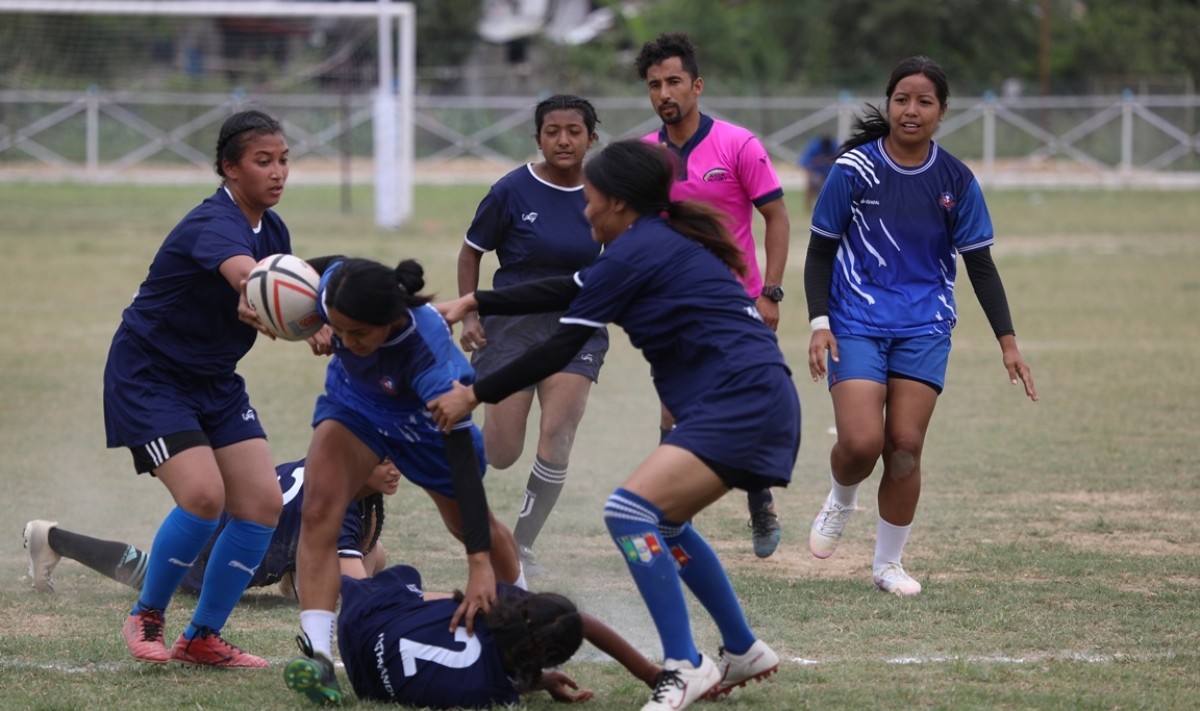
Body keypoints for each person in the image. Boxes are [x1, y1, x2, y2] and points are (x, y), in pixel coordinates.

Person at [428, 139, 797, 711]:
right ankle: (743, 649)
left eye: (592, 199)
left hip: (740, 399)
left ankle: (684, 663)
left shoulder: (636, 252)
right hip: (749, 396)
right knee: (666, 525)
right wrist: (473, 299)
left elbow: (561, 345)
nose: (584, 211)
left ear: (619, 204)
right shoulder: (647, 243)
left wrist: (473, 394)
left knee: (629, 512)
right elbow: (569, 289)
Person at [804, 56, 1038, 597]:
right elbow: (819, 254)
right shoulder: (853, 170)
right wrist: (820, 323)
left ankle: (888, 564)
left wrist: (1009, 343)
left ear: (942, 111)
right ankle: (842, 496)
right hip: (856, 320)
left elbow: (980, 263)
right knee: (862, 444)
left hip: (925, 326)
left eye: (924, 102)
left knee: (905, 446)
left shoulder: (956, 179)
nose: (911, 110)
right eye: (902, 99)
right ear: (888, 104)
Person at [102, 109, 328, 668]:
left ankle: (202, 635)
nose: (277, 173)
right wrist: (269, 305)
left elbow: (272, 292)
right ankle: (147, 615)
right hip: (151, 375)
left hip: (214, 380)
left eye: (283, 161)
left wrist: (314, 318)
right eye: (262, 161)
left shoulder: (272, 230)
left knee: (260, 505)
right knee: (204, 498)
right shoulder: (215, 223)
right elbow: (247, 280)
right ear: (229, 168)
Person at [286, 256, 524, 707]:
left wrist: (477, 565)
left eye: (358, 334)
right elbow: (304, 272)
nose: (345, 340)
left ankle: (528, 610)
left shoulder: (429, 358)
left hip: (426, 429)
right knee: (319, 510)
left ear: (392, 321)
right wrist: (264, 298)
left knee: (477, 530)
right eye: (338, 330)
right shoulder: (338, 287)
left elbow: (463, 473)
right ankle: (318, 656)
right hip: (355, 407)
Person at [635, 31, 792, 559]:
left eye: (673, 81)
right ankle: (661, 516)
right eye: (655, 85)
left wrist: (770, 291)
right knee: (672, 407)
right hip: (673, 305)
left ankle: (760, 502)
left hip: (738, 303)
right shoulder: (644, 158)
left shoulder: (738, 144)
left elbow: (776, 216)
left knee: (742, 402)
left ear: (696, 85)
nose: (664, 93)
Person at [457, 94, 609, 578]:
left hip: (578, 326)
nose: (563, 140)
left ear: (591, 137)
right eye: (552, 131)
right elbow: (471, 251)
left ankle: (521, 545)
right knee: (502, 453)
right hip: (512, 327)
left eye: (574, 131)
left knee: (559, 432)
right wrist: (471, 315)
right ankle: (461, 458)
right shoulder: (511, 190)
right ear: (539, 137)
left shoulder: (604, 191)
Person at [286, 563, 661, 708]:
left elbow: (582, 619)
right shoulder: (492, 694)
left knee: (409, 586)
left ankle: (309, 575)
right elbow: (475, 675)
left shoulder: (490, 605)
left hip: (364, 622)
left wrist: (649, 672)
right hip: (369, 682)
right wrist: (539, 681)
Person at [22, 457, 400, 597]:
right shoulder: (338, 501)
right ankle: (52, 538)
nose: (396, 469)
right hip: (224, 541)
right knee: (153, 576)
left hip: (240, 520)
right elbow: (361, 594)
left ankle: (298, 571)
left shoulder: (332, 466)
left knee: (374, 554)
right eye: (385, 462)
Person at [798, 134, 837, 210]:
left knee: (827, 191)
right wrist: (816, 163)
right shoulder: (814, 146)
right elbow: (805, 162)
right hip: (816, 172)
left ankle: (825, 207)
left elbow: (838, 161)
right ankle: (808, 209)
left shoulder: (835, 146)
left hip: (829, 173)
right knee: (811, 189)